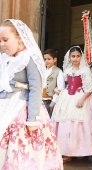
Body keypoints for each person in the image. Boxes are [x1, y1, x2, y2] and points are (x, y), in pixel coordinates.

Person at [0, 19, 63, 169]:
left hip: (23, 107)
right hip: (4, 104)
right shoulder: (4, 58)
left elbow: (36, 88)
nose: (2, 44)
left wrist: (33, 118)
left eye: (5, 40)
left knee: (22, 148)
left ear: (19, 37)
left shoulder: (29, 57)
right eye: (0, 40)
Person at [51, 46, 92, 163]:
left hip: (81, 96)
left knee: (80, 125)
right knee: (66, 124)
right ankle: (67, 152)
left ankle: (80, 151)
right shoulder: (67, 70)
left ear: (81, 57)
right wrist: (58, 90)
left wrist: (82, 99)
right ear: (69, 57)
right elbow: (64, 85)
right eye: (73, 56)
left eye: (77, 56)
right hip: (67, 97)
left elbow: (90, 88)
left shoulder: (85, 70)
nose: (75, 59)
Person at [43, 49, 65, 118]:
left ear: (54, 60)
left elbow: (60, 88)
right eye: (45, 59)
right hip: (40, 99)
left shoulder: (58, 71)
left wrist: (54, 101)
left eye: (49, 59)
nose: (46, 61)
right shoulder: (42, 70)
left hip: (50, 100)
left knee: (49, 119)